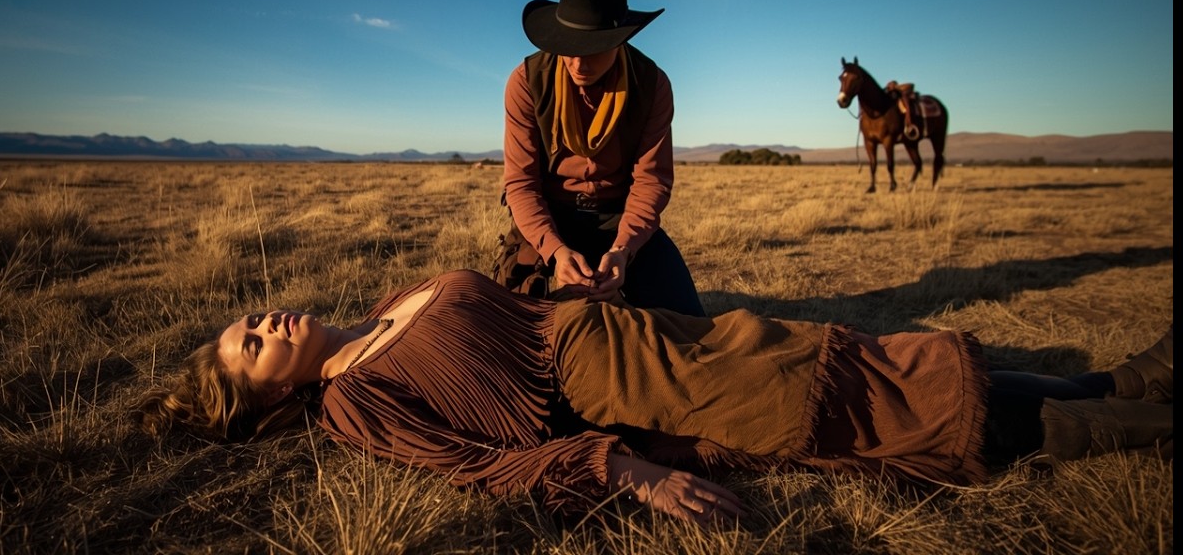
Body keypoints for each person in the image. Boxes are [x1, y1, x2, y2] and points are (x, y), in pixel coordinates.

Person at [137, 269, 1173, 527]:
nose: (264, 321)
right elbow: (481, 465)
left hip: (665, 334)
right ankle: (1139, 417)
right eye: (249, 343)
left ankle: (1130, 378)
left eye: (252, 318)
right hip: (654, 387)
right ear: (260, 399)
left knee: (880, 360)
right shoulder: (353, 404)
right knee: (892, 405)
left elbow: (513, 315)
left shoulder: (375, 311)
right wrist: (626, 472)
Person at [499, 0, 705, 316]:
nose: (578, 63)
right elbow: (521, 184)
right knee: (519, 330)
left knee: (687, 322)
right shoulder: (526, 82)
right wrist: (555, 251)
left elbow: (651, 182)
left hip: (619, 216)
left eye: (593, 47)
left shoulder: (652, 86)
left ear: (620, 39)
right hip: (552, 215)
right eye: (568, 46)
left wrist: (624, 250)